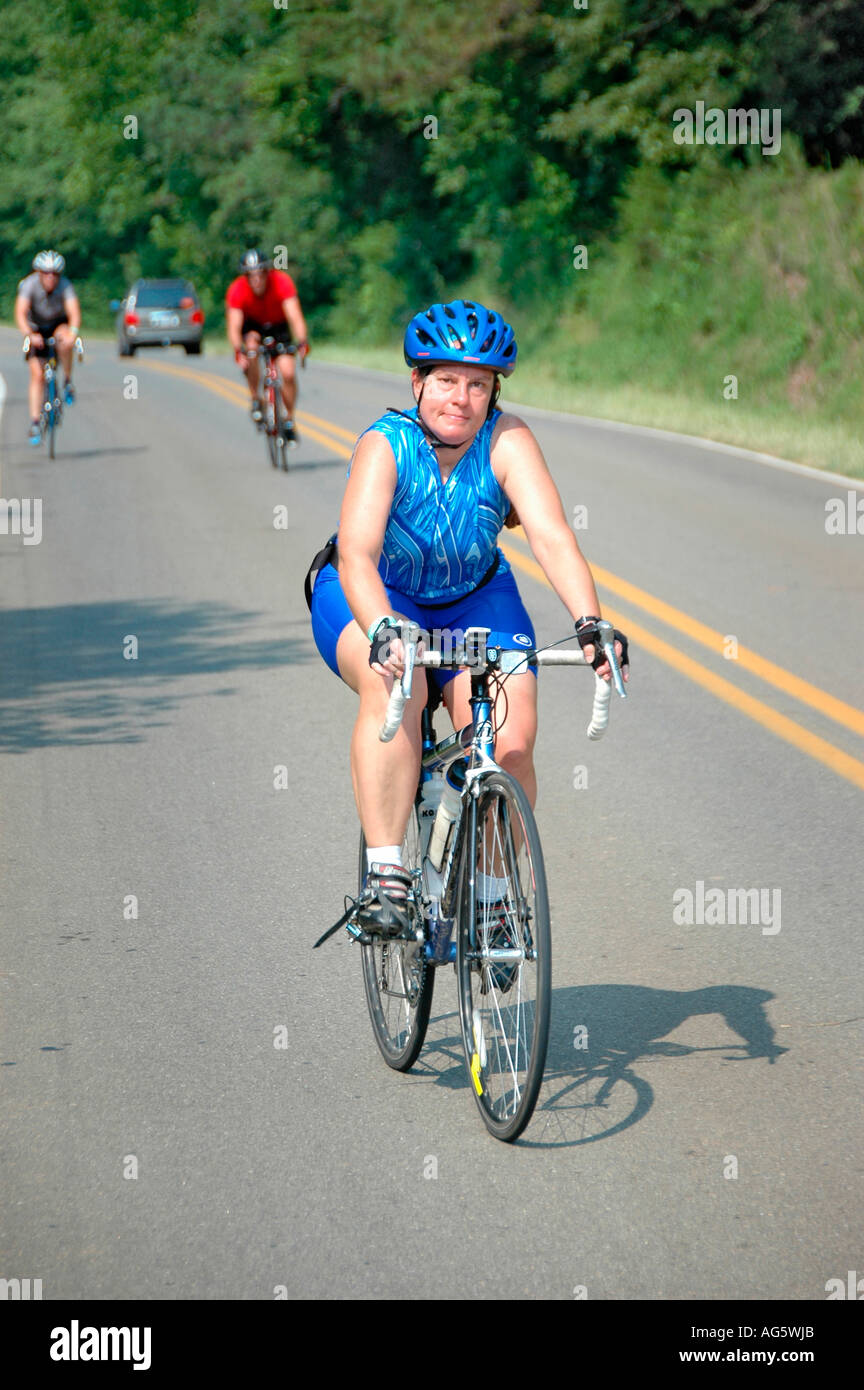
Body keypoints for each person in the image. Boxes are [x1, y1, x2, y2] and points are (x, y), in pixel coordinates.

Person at [309, 298, 629, 932]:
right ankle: (386, 877)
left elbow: (552, 536)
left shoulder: (507, 440)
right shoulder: (387, 444)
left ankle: (491, 894)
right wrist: (381, 630)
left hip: (474, 596)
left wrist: (591, 622)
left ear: (494, 391)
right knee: (397, 680)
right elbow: (359, 555)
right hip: (373, 592)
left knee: (509, 741)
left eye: (478, 384)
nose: (461, 397)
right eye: (447, 380)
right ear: (417, 381)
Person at [225, 249, 309, 445]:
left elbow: (295, 316)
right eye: (251, 275)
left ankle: (288, 419)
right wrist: (239, 350)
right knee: (252, 349)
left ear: (267, 272)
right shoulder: (237, 289)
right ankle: (256, 398)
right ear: (245, 276)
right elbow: (234, 325)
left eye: (261, 273)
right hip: (253, 327)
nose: (256, 279)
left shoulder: (281, 282)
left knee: (288, 372)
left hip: (279, 327)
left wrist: (302, 342)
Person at [15, 251, 81, 445]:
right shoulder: (29, 285)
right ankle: (35, 422)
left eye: (55, 274)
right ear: (39, 273)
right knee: (37, 375)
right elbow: (20, 313)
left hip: (58, 324)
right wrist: (29, 333)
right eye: (46, 273)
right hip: (36, 327)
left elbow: (74, 313)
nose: (51, 277)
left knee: (65, 339)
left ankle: (67, 380)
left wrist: (73, 333)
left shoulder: (66, 286)